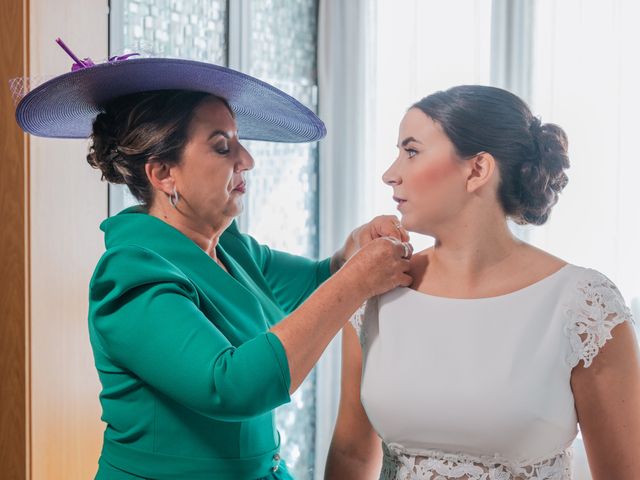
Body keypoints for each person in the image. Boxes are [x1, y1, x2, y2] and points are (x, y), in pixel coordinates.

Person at [13, 39, 414, 480]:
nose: (248, 160)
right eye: (223, 147)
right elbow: (231, 387)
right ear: (163, 173)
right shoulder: (129, 275)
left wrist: (352, 251)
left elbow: (320, 284)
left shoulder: (231, 249)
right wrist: (356, 280)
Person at [325, 85, 640, 480]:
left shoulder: (584, 306)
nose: (390, 174)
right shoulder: (375, 290)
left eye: (411, 151)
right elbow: (352, 454)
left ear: (477, 170)